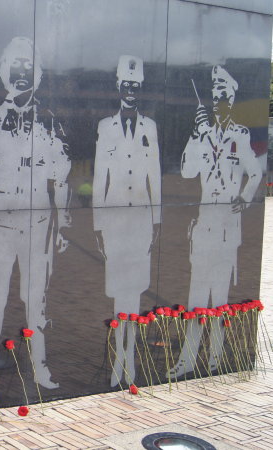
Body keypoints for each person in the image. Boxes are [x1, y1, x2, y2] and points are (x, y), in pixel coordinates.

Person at [0, 37, 70, 406]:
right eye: (14, 68)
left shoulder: (50, 121)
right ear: (5, 71)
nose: (20, 76)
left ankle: (40, 368)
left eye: (28, 69)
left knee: (34, 300)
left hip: (37, 225)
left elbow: (62, 176)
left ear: (36, 75)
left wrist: (64, 224)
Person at [168, 66, 262, 379]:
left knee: (220, 298)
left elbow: (257, 172)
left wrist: (245, 198)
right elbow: (186, 172)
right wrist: (195, 136)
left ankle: (216, 359)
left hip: (228, 227)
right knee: (197, 295)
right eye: (216, 94)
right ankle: (188, 359)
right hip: (205, 221)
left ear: (232, 99)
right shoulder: (203, 133)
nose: (220, 99)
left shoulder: (241, 135)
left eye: (225, 94)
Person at [93, 55, 161, 387]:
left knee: (134, 294)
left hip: (141, 222)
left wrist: (157, 220)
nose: (131, 91)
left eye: (137, 86)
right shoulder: (106, 127)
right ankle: (117, 362)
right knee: (120, 294)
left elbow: (156, 176)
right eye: (126, 85)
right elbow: (98, 176)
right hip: (115, 223)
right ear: (118, 86)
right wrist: (97, 225)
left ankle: (128, 363)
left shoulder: (150, 127)